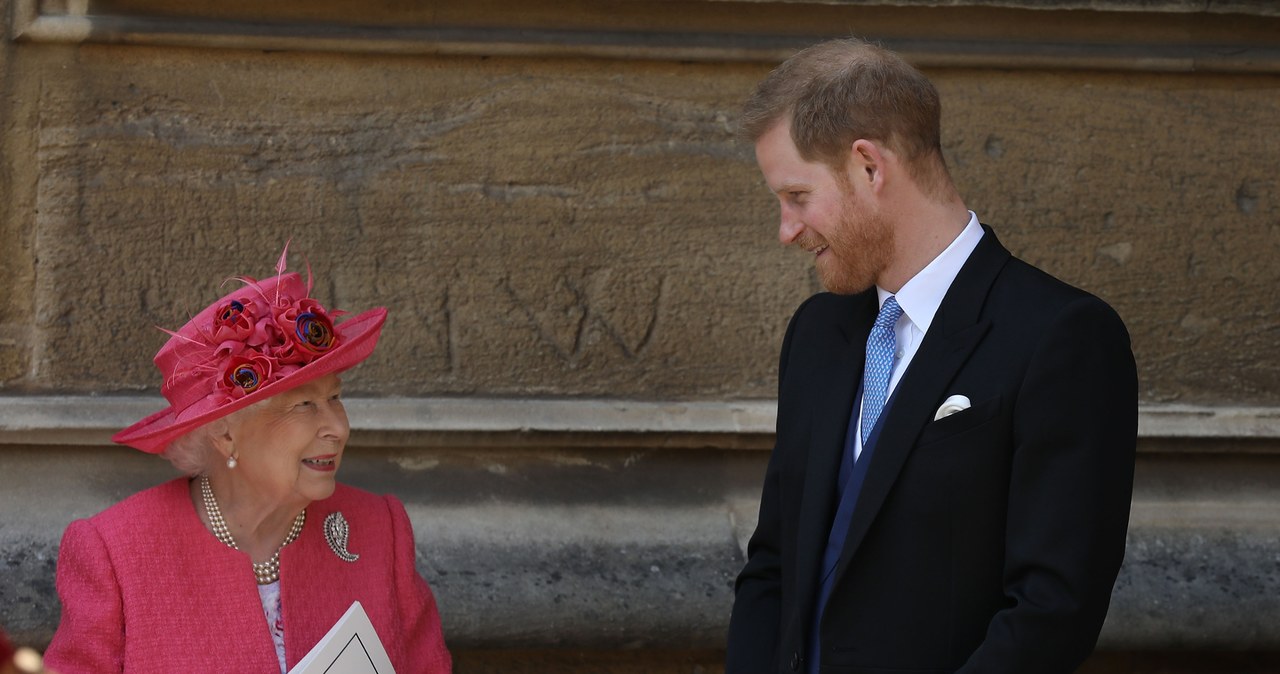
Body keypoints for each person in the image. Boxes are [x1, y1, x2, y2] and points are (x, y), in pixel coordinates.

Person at [725, 39, 1137, 673]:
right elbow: (774, 565)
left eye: (798, 197)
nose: (786, 229)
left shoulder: (1062, 336)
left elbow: (1052, 609)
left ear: (868, 166)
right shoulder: (817, 333)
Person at [43, 247, 452, 673]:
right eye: (304, 406)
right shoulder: (115, 553)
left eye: (334, 397)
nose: (338, 427)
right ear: (224, 433)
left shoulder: (379, 529)